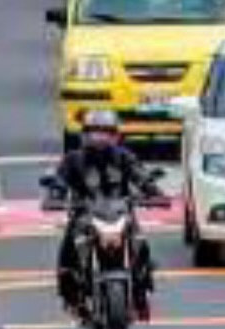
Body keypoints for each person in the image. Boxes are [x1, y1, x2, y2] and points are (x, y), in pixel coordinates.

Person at [52, 110, 160, 318]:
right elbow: (60, 181)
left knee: (141, 243)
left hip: (120, 213)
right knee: (67, 249)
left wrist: (153, 192)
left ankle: (141, 294)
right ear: (84, 135)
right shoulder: (73, 159)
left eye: (106, 132)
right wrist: (55, 194)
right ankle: (71, 298)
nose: (100, 138)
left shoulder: (124, 157)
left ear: (116, 136)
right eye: (94, 132)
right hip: (85, 215)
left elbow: (141, 175)